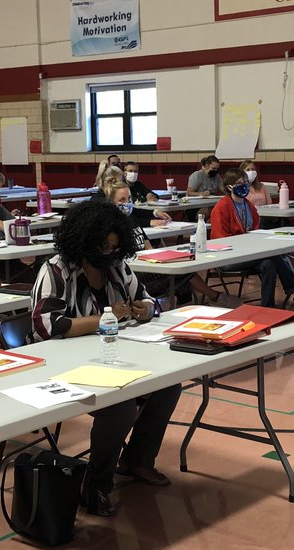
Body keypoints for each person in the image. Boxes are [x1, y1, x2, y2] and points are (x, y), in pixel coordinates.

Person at [30, 201, 182, 516]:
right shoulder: (56, 271)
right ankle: (96, 484)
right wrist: (106, 317)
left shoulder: (116, 267)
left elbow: (149, 299)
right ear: (82, 241)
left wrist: (145, 308)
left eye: (114, 247)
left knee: (169, 385)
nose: (109, 253)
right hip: (62, 365)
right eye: (103, 247)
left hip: (112, 357)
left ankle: (137, 460)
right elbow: (48, 326)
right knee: (121, 407)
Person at [210, 169, 294, 308]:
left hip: (247, 253)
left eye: (246, 182)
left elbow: (254, 230)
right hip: (228, 256)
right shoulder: (222, 207)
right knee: (274, 255)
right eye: (239, 183)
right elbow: (219, 239)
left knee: (269, 264)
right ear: (229, 186)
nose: (245, 186)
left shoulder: (248, 205)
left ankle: (268, 306)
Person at [106, 181, 225, 305]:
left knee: (182, 266)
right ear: (111, 203)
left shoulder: (132, 219)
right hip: (136, 274)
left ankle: (203, 299)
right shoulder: (113, 228)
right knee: (181, 272)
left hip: (149, 266)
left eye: (129, 199)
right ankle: (214, 296)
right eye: (122, 200)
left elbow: (148, 246)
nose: (127, 203)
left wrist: (157, 259)